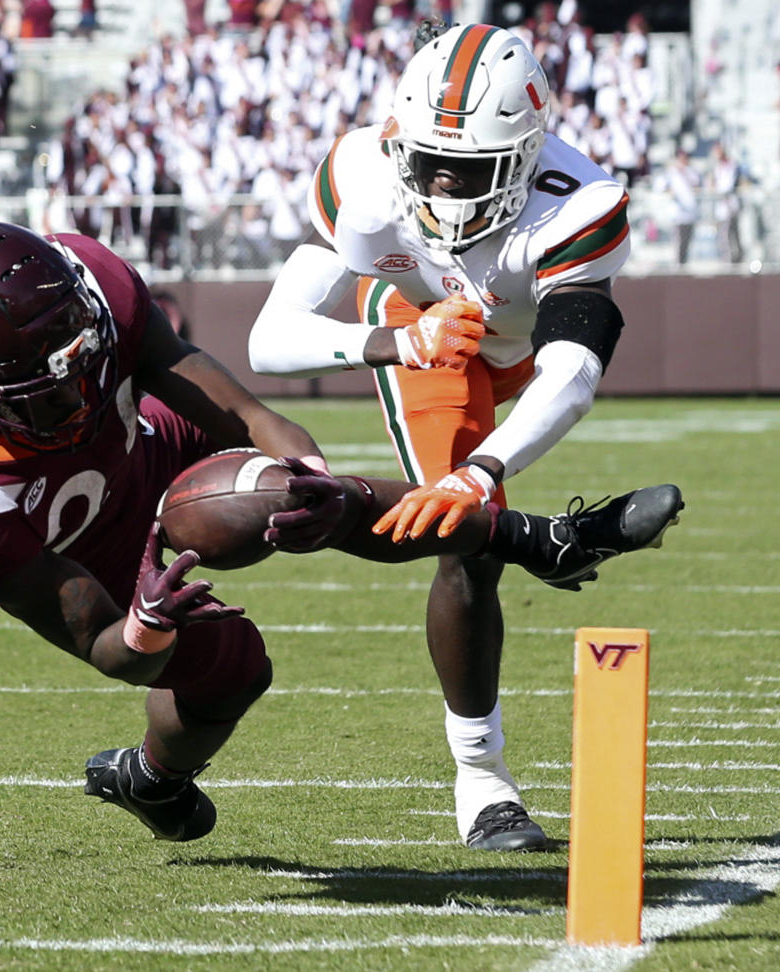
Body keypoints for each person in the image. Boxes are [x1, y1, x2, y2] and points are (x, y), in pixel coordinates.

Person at [0, 222, 682, 845]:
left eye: (85, 351)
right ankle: (153, 780)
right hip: (86, 548)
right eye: (55, 381)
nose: (84, 373)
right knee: (235, 671)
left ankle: (537, 540)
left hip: (146, 443)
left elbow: (234, 404)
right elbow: (102, 644)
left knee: (289, 494)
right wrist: (148, 617)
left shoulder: (87, 284)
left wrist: (308, 469)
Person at [249, 22, 643, 851]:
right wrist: (398, 340)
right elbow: (267, 341)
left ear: (528, 155)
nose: (440, 186)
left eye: (468, 169)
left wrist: (487, 468)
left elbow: (570, 371)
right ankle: (484, 784)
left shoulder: (579, 206)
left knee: (469, 501)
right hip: (429, 339)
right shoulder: (361, 175)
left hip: (523, 350)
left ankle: (541, 537)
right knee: (464, 543)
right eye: (425, 160)